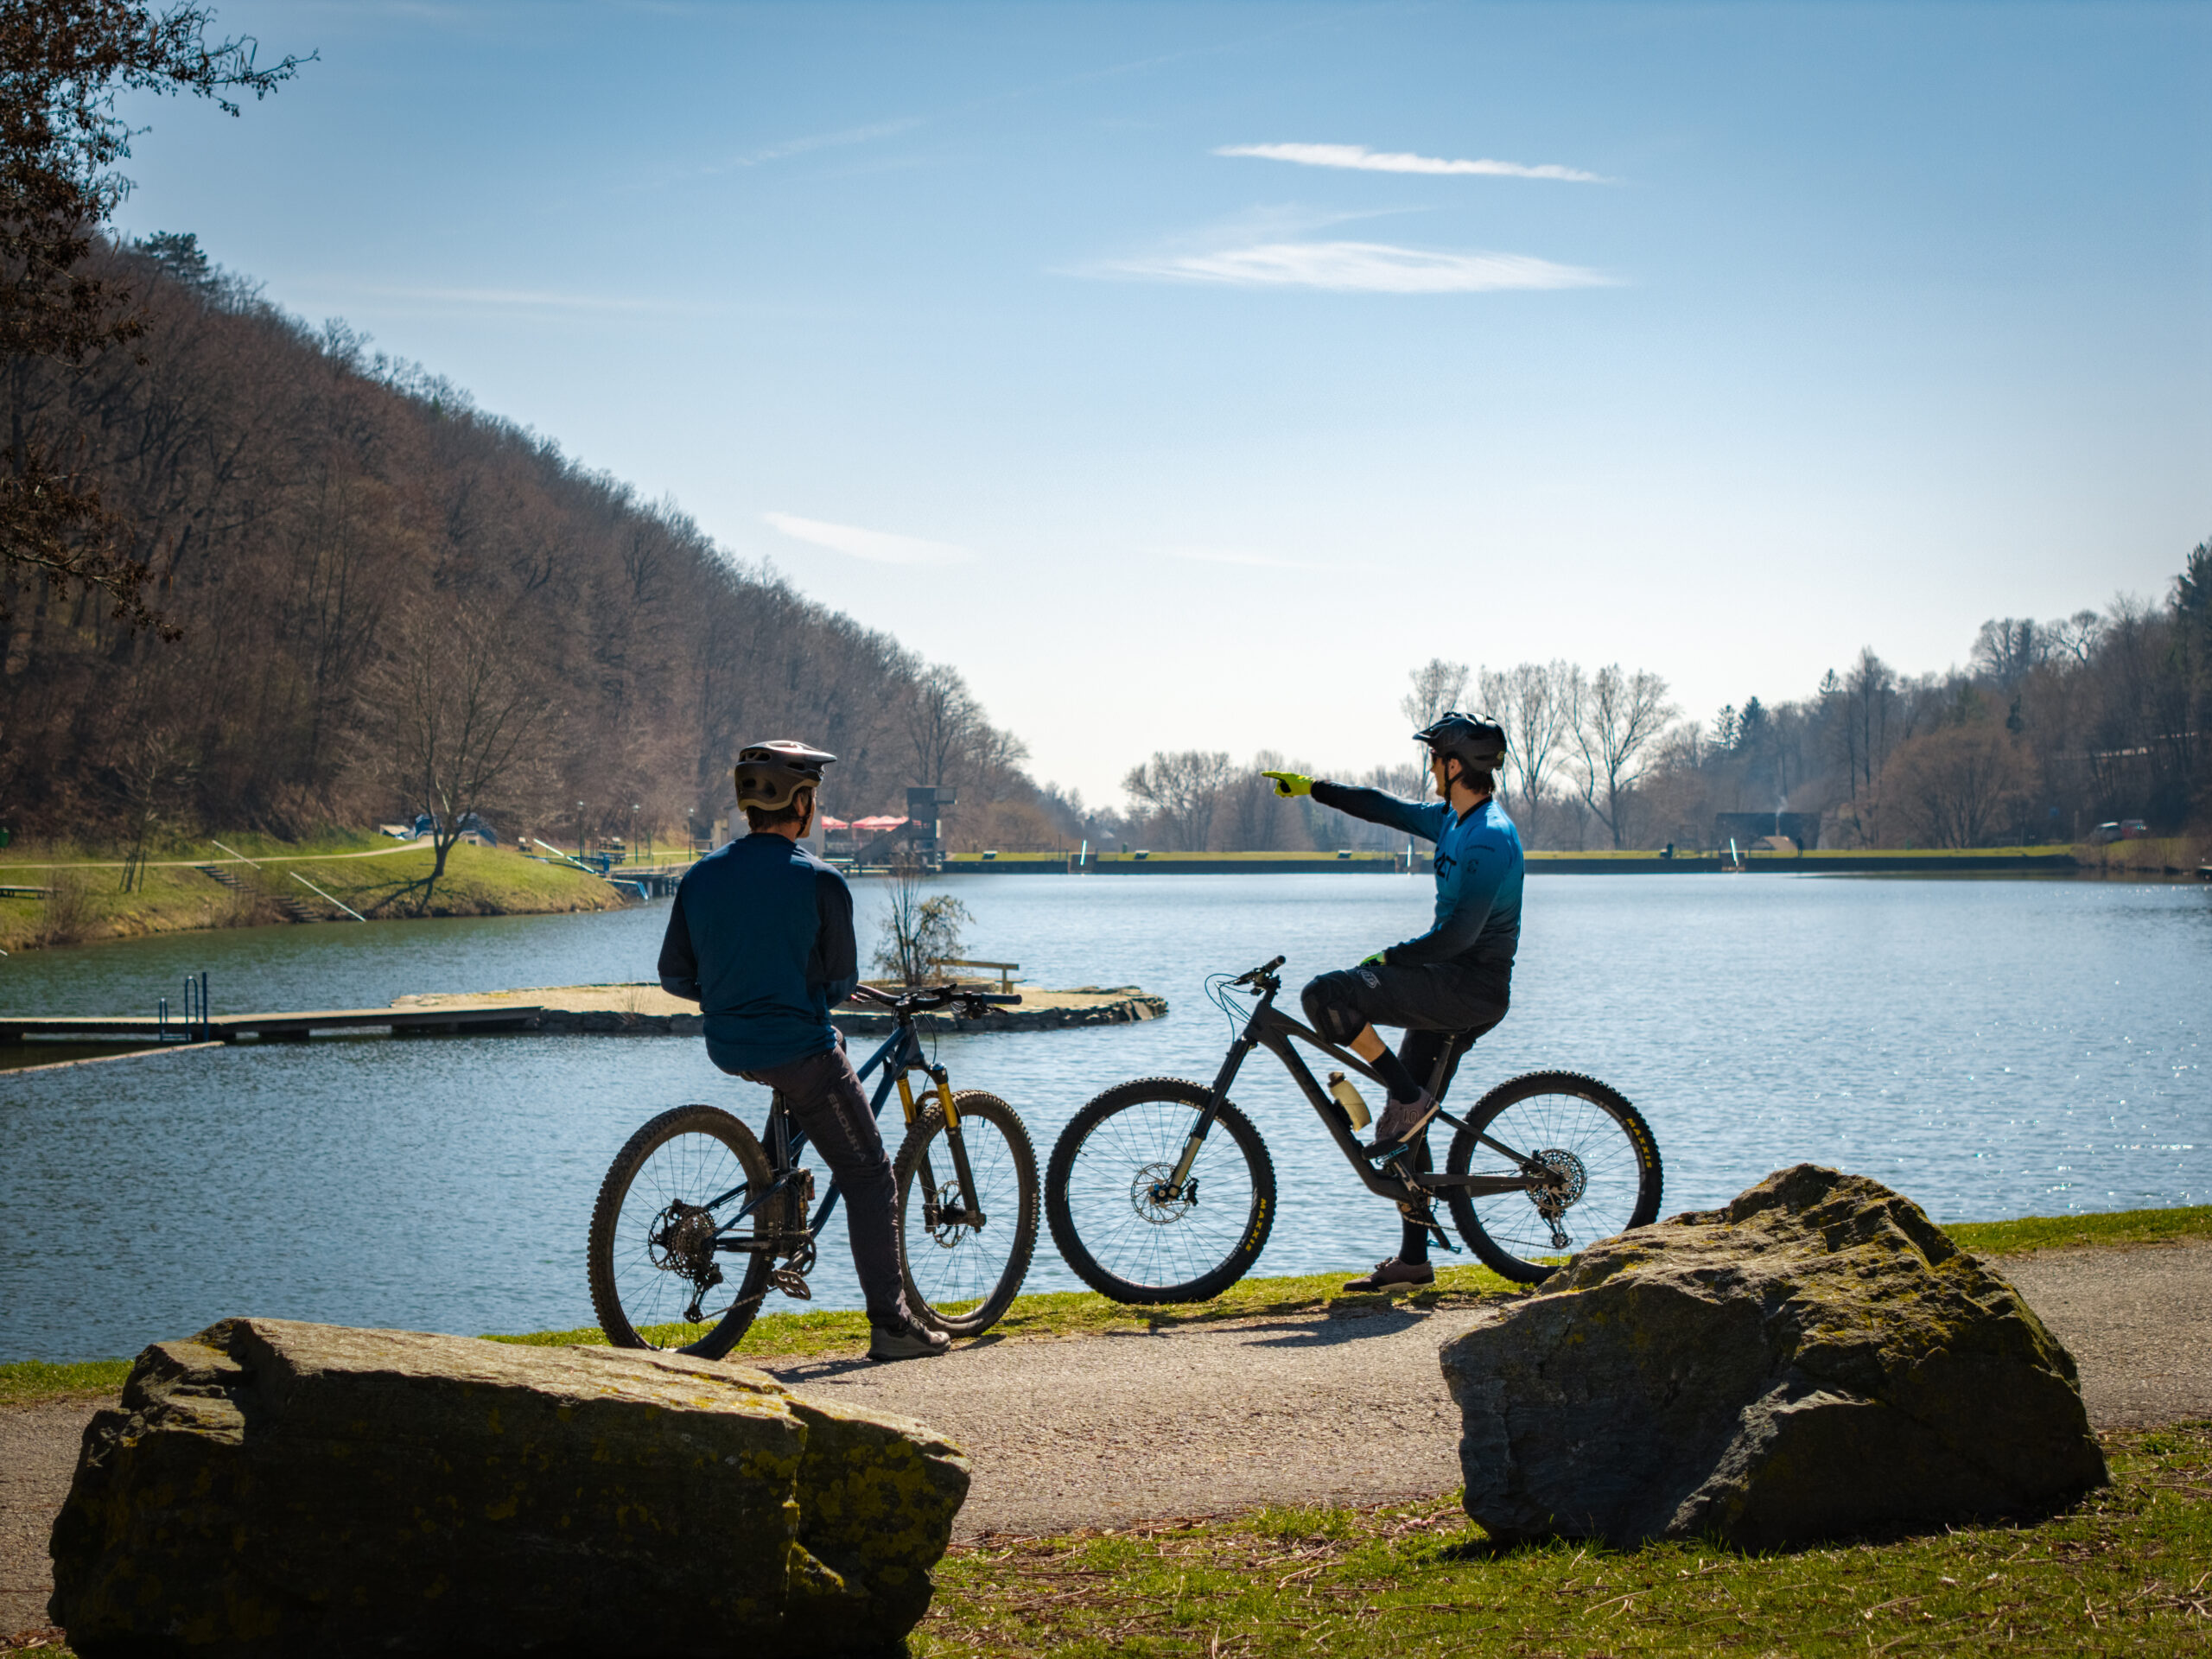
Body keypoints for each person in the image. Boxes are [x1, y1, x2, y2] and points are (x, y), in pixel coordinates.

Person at [657, 740, 949, 1362]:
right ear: (804, 804)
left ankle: (777, 1190)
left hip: (729, 1044)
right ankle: (892, 1327)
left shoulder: (701, 876)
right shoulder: (821, 880)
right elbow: (840, 984)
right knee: (870, 1175)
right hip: (799, 1050)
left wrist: (736, 989)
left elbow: (676, 978)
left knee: (817, 1060)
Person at [1261, 713, 1522, 1294]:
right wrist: (1310, 788)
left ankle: (1408, 1096)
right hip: (1444, 982)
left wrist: (1389, 960)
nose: (1429, 768)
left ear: (1455, 766)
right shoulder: (1453, 820)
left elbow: (1457, 938)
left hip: (1466, 989)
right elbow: (1381, 806)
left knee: (1326, 995)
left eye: (1435, 759)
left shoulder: (1489, 838)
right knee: (1410, 1129)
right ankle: (1413, 1261)